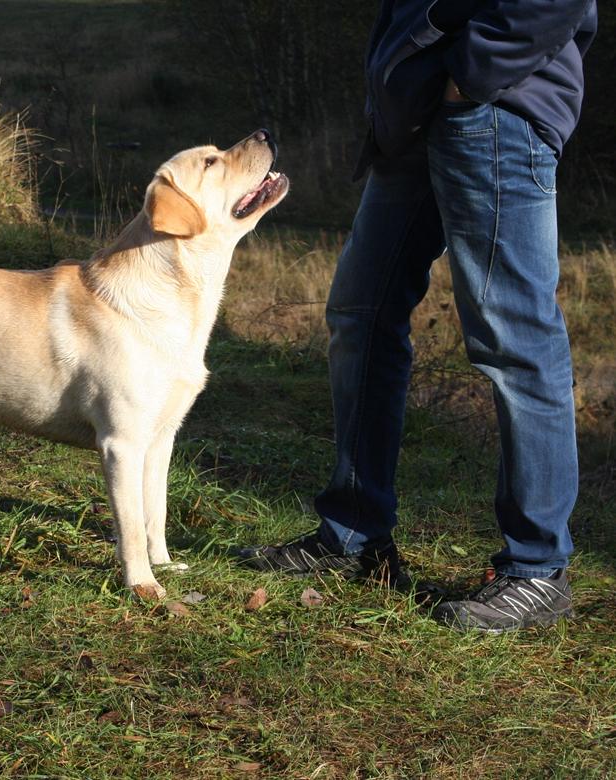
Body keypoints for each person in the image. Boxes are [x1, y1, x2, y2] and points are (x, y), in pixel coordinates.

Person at [237, 0, 598, 633]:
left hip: (493, 112)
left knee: (514, 340)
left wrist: (469, 79)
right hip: (414, 121)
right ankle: (353, 534)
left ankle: (539, 570)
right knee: (360, 314)